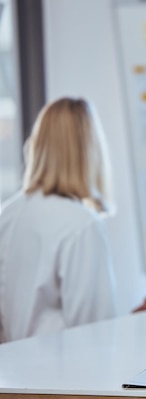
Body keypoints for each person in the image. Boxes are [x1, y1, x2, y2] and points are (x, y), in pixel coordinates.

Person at [0, 97, 119, 343]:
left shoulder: (8, 213)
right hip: (61, 374)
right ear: (89, 150)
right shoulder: (82, 225)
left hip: (12, 371)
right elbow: (96, 332)